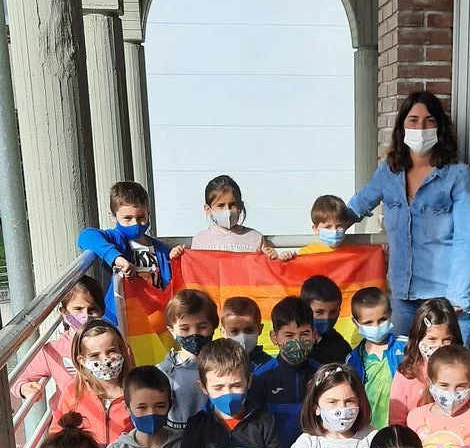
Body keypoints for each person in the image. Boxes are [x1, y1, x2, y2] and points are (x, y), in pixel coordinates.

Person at [345, 91, 470, 343]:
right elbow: (357, 206)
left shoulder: (459, 176)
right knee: (403, 365)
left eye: (429, 120)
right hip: (402, 299)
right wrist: (330, 222)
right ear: (402, 126)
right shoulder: (388, 172)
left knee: (445, 367)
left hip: (445, 300)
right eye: (414, 120)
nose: (421, 127)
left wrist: (458, 297)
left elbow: (467, 238)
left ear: (440, 127)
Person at [77, 181, 178, 327]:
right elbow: (86, 236)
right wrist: (116, 258)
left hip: (156, 321)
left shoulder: (161, 249)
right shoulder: (116, 239)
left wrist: (175, 257)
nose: (135, 223)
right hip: (122, 322)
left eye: (141, 217)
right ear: (113, 216)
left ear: (148, 214)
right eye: (127, 218)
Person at [12, 276, 105, 413]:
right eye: (78, 309)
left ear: (102, 311)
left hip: (104, 417)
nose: (86, 316)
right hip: (68, 419)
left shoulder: (112, 343)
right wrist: (24, 388)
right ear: (64, 313)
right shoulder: (53, 350)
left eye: (92, 310)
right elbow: (17, 378)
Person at [248, 297, 320, 448]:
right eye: (289, 335)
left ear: (314, 335)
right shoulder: (261, 377)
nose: (297, 341)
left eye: (304, 334)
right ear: (274, 337)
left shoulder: (323, 375)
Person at [51, 318, 132, 448]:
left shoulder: (137, 391)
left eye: (111, 351)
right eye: (95, 355)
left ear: (122, 350)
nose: (105, 359)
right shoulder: (73, 394)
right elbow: (56, 437)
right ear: (82, 360)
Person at [389, 298, 462, 426]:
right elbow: (397, 422)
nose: (439, 346)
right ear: (418, 338)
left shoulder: (462, 373)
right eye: (432, 339)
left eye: (446, 340)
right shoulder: (406, 375)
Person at [158, 289, 220, 431]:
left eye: (202, 326)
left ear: (214, 326)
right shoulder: (163, 372)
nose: (194, 333)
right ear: (172, 331)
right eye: (185, 329)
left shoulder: (226, 365)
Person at [346, 286, 406, 429]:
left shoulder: (406, 348)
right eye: (368, 323)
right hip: (368, 429)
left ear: (390, 314)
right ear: (356, 323)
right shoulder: (353, 359)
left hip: (401, 427)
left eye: (382, 320)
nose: (376, 327)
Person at [190, 173, 280, 257]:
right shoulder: (200, 240)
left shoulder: (255, 238)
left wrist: (274, 258)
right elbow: (193, 267)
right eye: (221, 205)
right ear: (208, 210)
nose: (228, 210)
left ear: (240, 206)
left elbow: (267, 266)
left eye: (233, 204)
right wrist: (181, 256)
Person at [299, 275, 352, 365]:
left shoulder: (341, 349)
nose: (326, 318)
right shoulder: (293, 342)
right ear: (304, 310)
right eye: (319, 312)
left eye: (333, 312)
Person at [219, 296, 271, 369]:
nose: (242, 337)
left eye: (249, 330)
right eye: (234, 331)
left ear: (260, 329)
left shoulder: (270, 366)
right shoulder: (215, 364)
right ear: (223, 332)